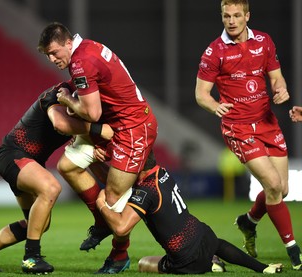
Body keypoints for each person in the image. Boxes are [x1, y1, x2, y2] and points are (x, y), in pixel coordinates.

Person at [37, 22, 158, 273]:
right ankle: (103, 223)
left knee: (113, 198)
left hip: (132, 130)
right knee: (67, 166)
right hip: (114, 126)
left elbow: (92, 112)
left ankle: (119, 255)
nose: (52, 59)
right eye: (47, 55)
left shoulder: (81, 62)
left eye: (55, 53)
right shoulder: (87, 48)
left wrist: (66, 99)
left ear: (68, 43)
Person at [195, 0, 301, 270]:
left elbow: (276, 78)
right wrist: (215, 105)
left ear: (247, 16)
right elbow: (201, 95)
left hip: (267, 123)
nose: (231, 21)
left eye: (236, 15)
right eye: (226, 16)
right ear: (222, 17)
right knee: (274, 185)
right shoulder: (214, 52)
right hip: (238, 128)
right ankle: (293, 250)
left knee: (282, 189)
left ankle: (249, 221)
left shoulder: (264, 42)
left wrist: (281, 90)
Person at [0, 83, 113, 274]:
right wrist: (99, 130)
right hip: (13, 155)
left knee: (39, 223)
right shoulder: (55, 96)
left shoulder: (83, 114)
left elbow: (84, 151)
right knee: (51, 188)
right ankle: (31, 258)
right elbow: (60, 124)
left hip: (28, 163)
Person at [96, 152, 283, 274]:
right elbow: (119, 181)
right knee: (216, 244)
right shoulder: (162, 172)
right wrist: (262, 267)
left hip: (185, 261)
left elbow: (121, 228)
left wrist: (101, 205)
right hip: (205, 235)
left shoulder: (146, 191)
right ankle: (262, 269)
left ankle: (210, 264)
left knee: (143, 263)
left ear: (136, 168)